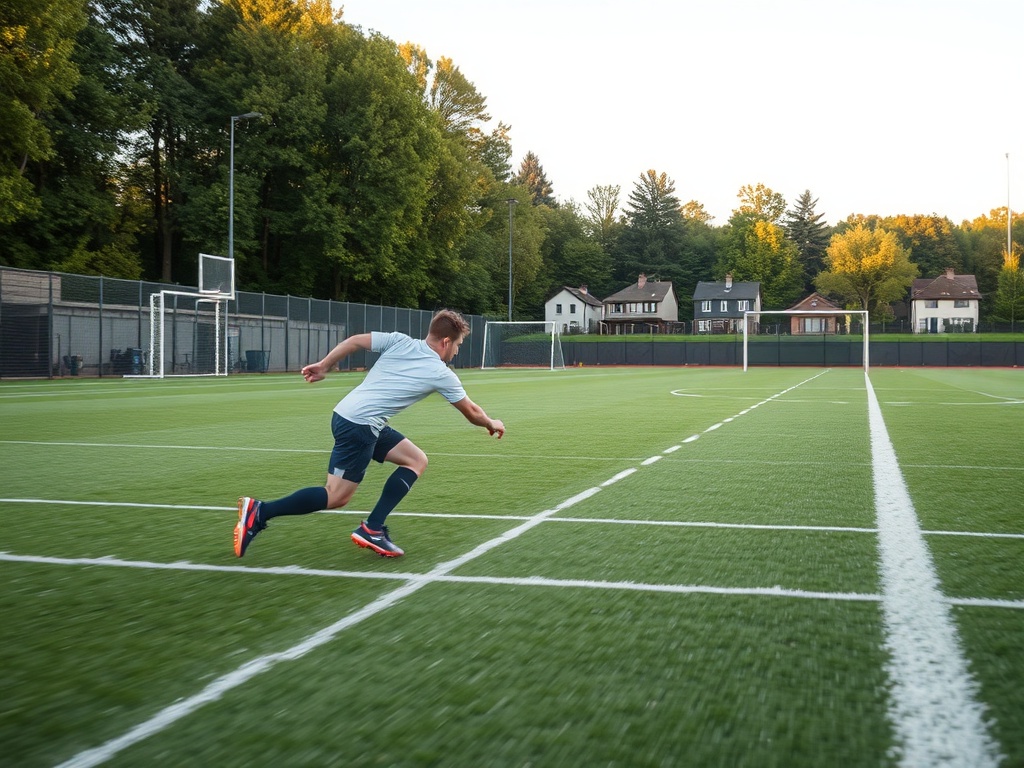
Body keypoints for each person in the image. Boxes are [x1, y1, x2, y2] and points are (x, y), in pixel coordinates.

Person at [233, 309, 504, 559]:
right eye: (457, 346)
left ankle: (373, 527)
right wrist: (492, 423)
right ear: (446, 342)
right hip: (359, 425)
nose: (456, 352)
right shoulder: (440, 372)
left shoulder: (400, 341)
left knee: (416, 460)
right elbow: (471, 411)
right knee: (336, 496)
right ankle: (260, 512)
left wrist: (325, 365)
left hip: (352, 417)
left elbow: (354, 341)